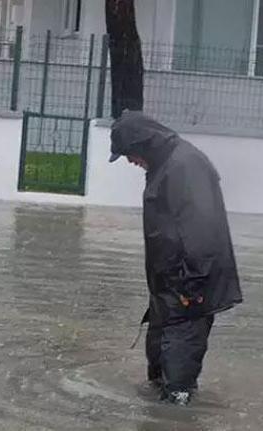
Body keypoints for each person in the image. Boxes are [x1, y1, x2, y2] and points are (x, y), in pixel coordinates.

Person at [109, 111, 243, 406]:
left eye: (129, 154)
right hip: (169, 291)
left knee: (177, 386)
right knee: (158, 371)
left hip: (189, 291)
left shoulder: (184, 166)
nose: (130, 161)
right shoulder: (167, 164)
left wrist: (190, 290)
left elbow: (204, 231)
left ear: (143, 144)